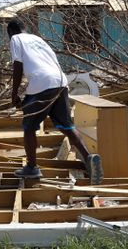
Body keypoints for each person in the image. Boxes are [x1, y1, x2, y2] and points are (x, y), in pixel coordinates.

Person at [7, 18, 103, 183]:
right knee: (67, 126)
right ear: (25, 28)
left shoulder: (16, 38)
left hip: (42, 83)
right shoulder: (39, 40)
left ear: (10, 32)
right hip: (60, 81)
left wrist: (14, 93)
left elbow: (17, 65)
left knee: (29, 127)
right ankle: (89, 158)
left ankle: (31, 167)